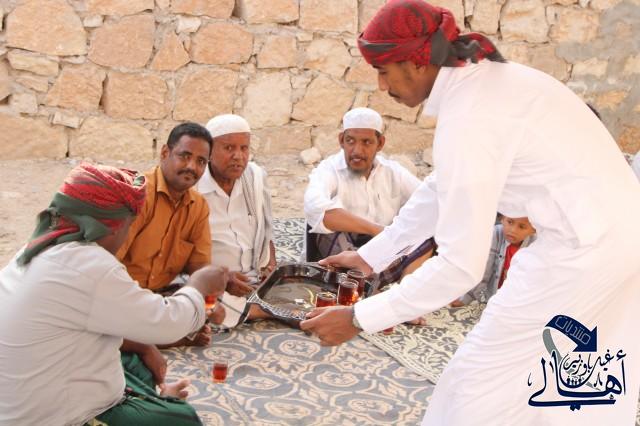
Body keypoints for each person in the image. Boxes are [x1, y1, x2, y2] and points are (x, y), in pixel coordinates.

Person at [300, 1, 640, 425]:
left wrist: (359, 317)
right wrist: (372, 256)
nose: (382, 86)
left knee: (477, 383)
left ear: (416, 63)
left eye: (384, 71)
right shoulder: (480, 86)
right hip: (614, 237)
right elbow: (441, 188)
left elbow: (461, 265)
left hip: (584, 253)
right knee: (559, 381)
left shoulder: (470, 113)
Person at [0, 163, 226, 425]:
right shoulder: (90, 266)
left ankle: (150, 401)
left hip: (21, 398)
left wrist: (143, 345)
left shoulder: (37, 249)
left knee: (135, 361)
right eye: (129, 225)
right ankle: (157, 403)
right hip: (47, 417)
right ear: (116, 226)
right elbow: (167, 323)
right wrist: (199, 285)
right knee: (181, 419)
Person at [117, 123, 266, 350]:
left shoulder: (198, 207)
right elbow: (108, 266)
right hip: (122, 294)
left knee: (204, 306)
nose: (191, 167)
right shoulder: (140, 195)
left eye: (200, 161)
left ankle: (155, 335)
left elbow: (199, 269)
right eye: (184, 156)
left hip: (159, 297)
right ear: (165, 153)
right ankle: (151, 341)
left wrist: (219, 289)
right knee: (106, 321)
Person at [303, 107, 421, 261]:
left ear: (380, 143)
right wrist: (379, 231)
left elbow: (428, 200)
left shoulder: (393, 172)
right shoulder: (328, 170)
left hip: (383, 251)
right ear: (341, 141)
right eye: (350, 141)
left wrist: (396, 235)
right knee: (325, 223)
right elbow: (315, 208)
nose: (357, 151)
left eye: (366, 142)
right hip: (341, 256)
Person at [197, 114, 277, 282]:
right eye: (229, 148)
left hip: (255, 278)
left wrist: (270, 268)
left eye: (244, 148)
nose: (238, 156)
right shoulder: (194, 188)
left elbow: (266, 230)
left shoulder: (255, 177)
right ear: (209, 152)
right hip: (210, 283)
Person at [452, 215, 536, 306]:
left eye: (522, 227)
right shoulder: (495, 234)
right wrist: (466, 298)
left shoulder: (536, 246)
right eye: (510, 222)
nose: (513, 230)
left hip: (516, 301)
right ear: (502, 218)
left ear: (533, 230)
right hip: (490, 297)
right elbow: (483, 271)